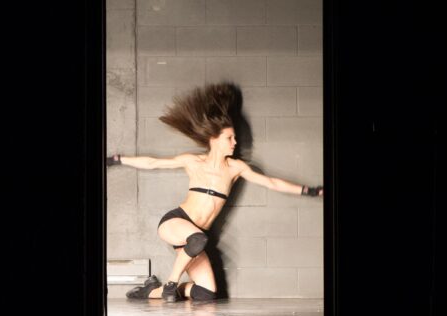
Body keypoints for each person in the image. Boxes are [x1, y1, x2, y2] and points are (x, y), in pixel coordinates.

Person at [107, 82, 323, 302]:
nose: (235, 142)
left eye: (235, 138)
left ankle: (149, 290)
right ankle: (171, 283)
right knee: (198, 238)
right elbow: (152, 163)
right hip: (176, 222)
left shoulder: (236, 168)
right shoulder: (193, 162)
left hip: (195, 239)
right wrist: (117, 159)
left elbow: (271, 183)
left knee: (206, 294)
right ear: (214, 139)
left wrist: (311, 191)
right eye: (229, 138)